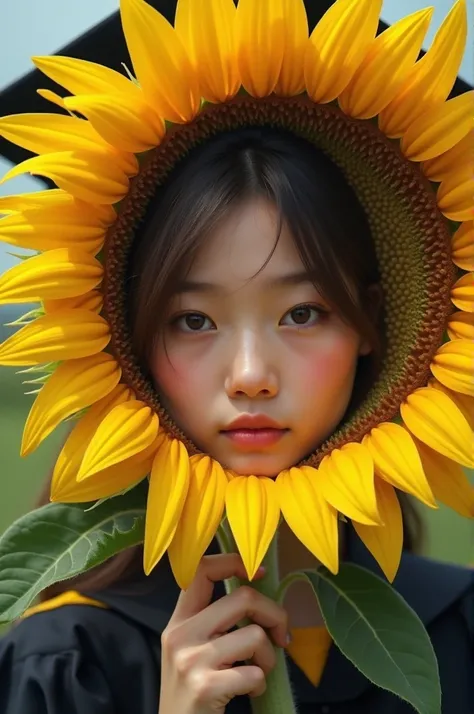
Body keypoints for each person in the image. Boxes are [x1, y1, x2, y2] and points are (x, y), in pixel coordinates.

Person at [0, 126, 472, 714]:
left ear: (369, 324)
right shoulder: (68, 660)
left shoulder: (459, 630)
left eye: (302, 312)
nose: (250, 375)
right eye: (194, 320)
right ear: (129, 342)